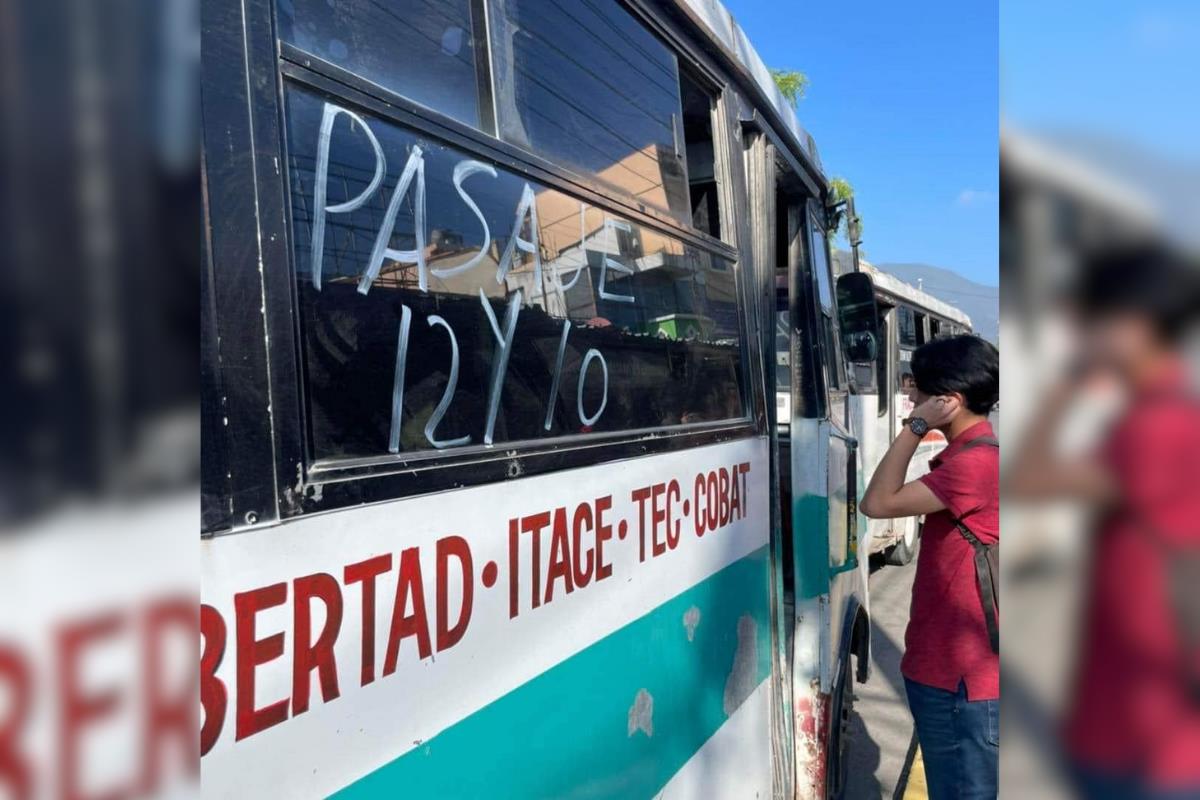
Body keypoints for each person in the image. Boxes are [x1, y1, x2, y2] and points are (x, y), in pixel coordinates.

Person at [1008, 245, 1200, 799]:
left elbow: (1031, 480)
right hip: (1140, 727)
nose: (1078, 334)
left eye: (1088, 320)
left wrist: (1064, 388)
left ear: (1131, 327)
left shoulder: (1158, 427)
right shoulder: (1163, 414)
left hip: (1147, 742)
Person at [860, 334, 1000, 799]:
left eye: (918, 392)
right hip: (953, 676)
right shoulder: (970, 459)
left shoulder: (974, 467)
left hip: (961, 683)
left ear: (949, 401)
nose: (911, 398)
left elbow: (877, 502)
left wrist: (915, 426)